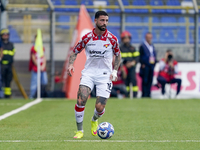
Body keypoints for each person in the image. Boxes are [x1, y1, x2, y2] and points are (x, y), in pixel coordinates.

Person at [67, 11, 121, 139]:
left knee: (100, 106)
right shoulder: (87, 38)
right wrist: (71, 64)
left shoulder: (112, 39)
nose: (105, 23)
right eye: (102, 20)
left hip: (104, 75)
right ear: (95, 21)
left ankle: (94, 120)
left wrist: (114, 71)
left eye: (106, 21)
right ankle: (79, 131)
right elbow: (75, 51)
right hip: (89, 73)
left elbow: (118, 55)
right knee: (81, 100)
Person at [120, 31, 139, 97]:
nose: (126, 40)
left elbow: (137, 57)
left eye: (128, 38)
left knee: (133, 81)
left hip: (132, 67)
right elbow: (119, 58)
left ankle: (135, 95)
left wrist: (132, 63)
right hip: (124, 68)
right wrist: (125, 64)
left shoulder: (133, 48)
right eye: (125, 38)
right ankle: (126, 95)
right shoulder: (120, 48)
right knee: (126, 82)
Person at [139, 32, 157, 98]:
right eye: (148, 37)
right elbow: (140, 56)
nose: (149, 39)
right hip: (145, 66)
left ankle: (149, 94)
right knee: (145, 80)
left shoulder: (152, 46)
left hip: (151, 65)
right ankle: (144, 94)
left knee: (150, 80)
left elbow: (154, 55)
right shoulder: (142, 46)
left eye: (150, 37)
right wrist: (142, 63)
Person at [0, 29, 15, 98]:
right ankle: (1, 94)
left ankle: (7, 95)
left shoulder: (11, 45)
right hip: (2, 65)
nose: (5, 36)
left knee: (8, 80)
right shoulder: (1, 45)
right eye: (4, 35)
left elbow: (12, 54)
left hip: (9, 65)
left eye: (7, 35)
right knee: (1, 80)